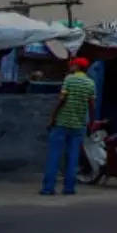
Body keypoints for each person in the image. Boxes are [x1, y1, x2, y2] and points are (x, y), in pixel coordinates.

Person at [41, 57, 96, 196]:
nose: (71, 67)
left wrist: (52, 118)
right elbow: (91, 106)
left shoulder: (69, 80)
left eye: (73, 65)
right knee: (73, 158)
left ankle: (48, 188)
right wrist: (91, 123)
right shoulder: (90, 83)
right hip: (79, 125)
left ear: (77, 66)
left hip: (62, 123)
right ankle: (69, 188)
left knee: (54, 155)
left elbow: (61, 101)